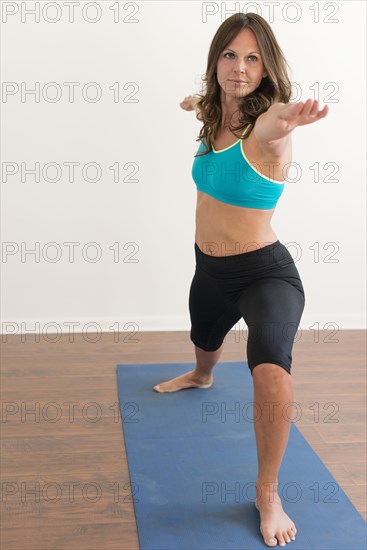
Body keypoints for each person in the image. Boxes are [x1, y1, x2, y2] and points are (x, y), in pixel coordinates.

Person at [153, 12, 328, 548]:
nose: (240, 66)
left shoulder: (269, 124)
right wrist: (195, 103)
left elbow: (275, 126)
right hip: (210, 269)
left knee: (270, 370)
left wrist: (290, 120)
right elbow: (201, 103)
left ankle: (268, 492)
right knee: (204, 340)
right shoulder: (213, 114)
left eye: (253, 58)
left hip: (264, 273)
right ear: (217, 60)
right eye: (230, 54)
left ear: (266, 68)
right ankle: (203, 374)